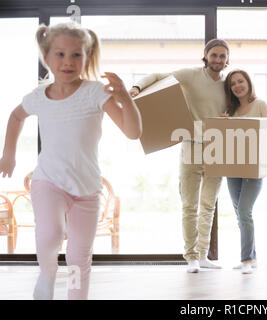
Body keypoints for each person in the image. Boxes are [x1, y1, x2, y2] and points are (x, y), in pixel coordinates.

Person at [0, 22, 142, 300]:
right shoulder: (38, 97)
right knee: (51, 234)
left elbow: (133, 132)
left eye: (76, 55)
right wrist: (9, 153)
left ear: (87, 57)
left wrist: (126, 97)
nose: (68, 61)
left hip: (87, 189)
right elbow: (16, 117)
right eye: (60, 54)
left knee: (79, 258)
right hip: (48, 181)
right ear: (47, 56)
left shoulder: (95, 93)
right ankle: (47, 273)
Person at [129, 39, 230, 273]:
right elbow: (156, 76)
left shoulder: (228, 84)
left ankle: (204, 255)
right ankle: (191, 257)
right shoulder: (190, 75)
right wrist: (137, 88)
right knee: (190, 205)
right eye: (214, 55)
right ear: (205, 56)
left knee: (209, 205)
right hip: (191, 146)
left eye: (222, 56)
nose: (218, 60)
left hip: (218, 149)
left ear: (227, 59)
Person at [222, 69, 267, 274]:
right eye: (233, 84)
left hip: (255, 168)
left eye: (240, 81)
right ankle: (252, 257)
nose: (237, 86)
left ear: (248, 83)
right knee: (240, 214)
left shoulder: (260, 105)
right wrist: (223, 123)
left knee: (245, 212)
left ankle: (246, 260)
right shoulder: (231, 110)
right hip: (233, 167)